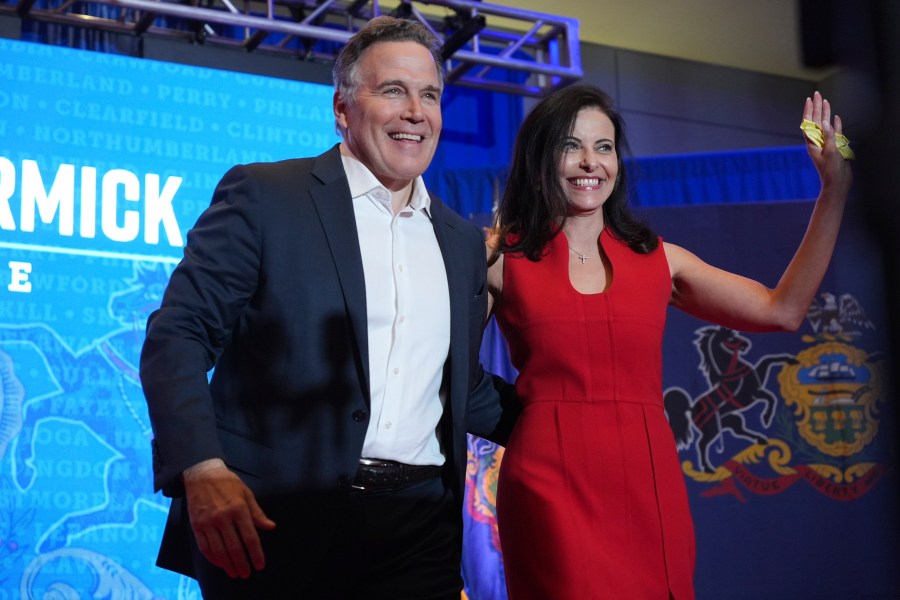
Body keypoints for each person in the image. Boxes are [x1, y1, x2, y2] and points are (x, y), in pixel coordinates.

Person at [140, 15, 517, 598]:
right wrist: (201, 468)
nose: (417, 111)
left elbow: (462, 391)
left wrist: (581, 425)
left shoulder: (461, 242)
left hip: (418, 532)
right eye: (393, 90)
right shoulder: (266, 197)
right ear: (342, 109)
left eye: (431, 95)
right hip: (277, 523)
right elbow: (179, 335)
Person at [485, 85, 852, 599]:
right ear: (541, 156)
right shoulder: (500, 255)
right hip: (547, 483)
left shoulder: (660, 259)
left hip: (648, 487)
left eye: (605, 147)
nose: (591, 162)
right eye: (571, 146)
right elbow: (443, 363)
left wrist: (832, 192)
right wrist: (518, 417)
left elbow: (783, 310)